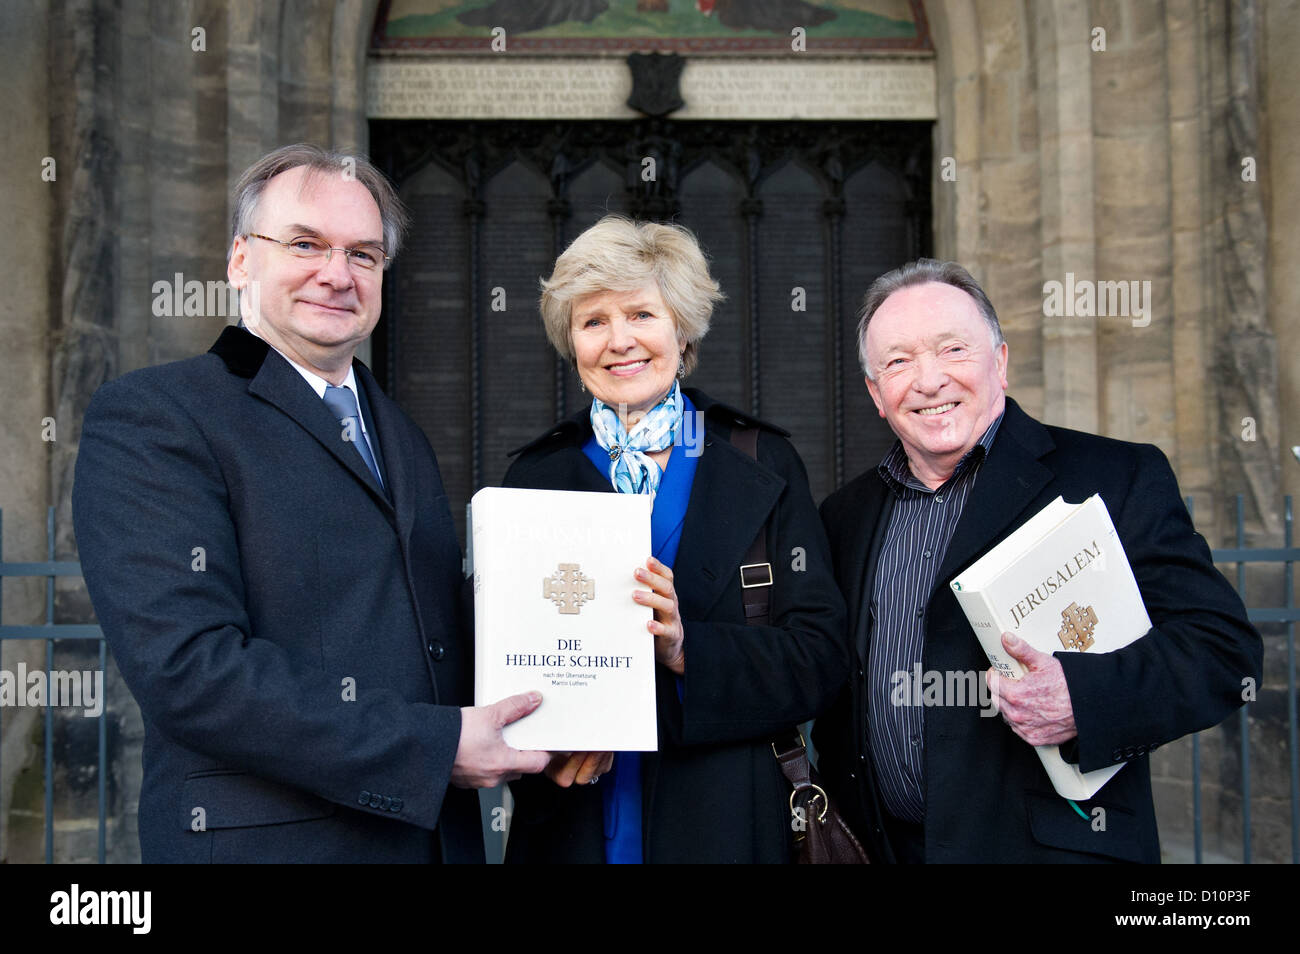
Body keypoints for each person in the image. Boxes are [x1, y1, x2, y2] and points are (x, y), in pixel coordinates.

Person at [71, 144, 549, 863]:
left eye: (363, 254)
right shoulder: (157, 416)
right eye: (305, 244)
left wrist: (585, 682)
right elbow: (191, 670)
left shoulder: (402, 435)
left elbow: (428, 637)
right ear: (240, 261)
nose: (337, 273)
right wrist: (435, 745)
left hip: (432, 844)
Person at [813, 259, 1262, 863]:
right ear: (875, 394)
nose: (928, 380)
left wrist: (1083, 696)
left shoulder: (1112, 476)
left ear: (999, 361)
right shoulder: (844, 516)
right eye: (898, 362)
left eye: (952, 350)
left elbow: (1223, 653)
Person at [501, 216, 849, 863]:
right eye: (593, 321)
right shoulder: (535, 475)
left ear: (681, 328)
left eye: (641, 314)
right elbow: (498, 657)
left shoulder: (762, 461)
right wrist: (543, 746)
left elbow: (820, 657)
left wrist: (691, 649)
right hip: (576, 824)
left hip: (725, 821)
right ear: (571, 341)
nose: (619, 341)